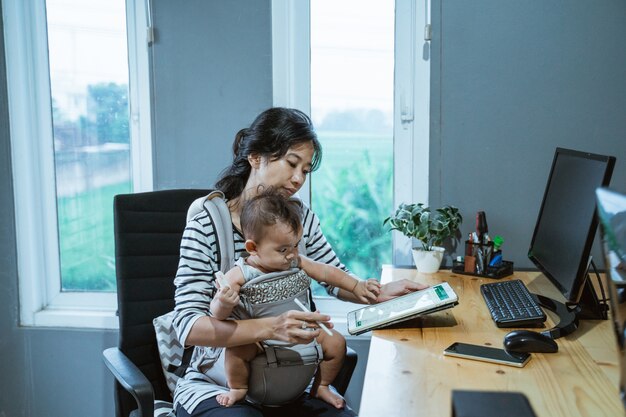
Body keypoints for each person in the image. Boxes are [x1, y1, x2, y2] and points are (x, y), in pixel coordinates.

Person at [173, 107, 428, 417]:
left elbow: (332, 275)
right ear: (255, 156)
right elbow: (187, 326)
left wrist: (374, 293)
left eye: (306, 170)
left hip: (291, 378)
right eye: (291, 164)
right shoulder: (207, 221)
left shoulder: (300, 217)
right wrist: (270, 328)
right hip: (222, 386)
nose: (298, 180)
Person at [211, 189, 381, 408]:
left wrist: (356, 285)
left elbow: (327, 272)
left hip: (302, 331)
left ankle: (322, 386)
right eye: (282, 249)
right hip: (262, 341)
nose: (291, 254)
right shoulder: (241, 273)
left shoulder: (295, 261)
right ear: (253, 248)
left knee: (337, 343)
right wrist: (224, 302)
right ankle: (238, 388)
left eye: (295, 244)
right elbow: (216, 314)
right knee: (236, 349)